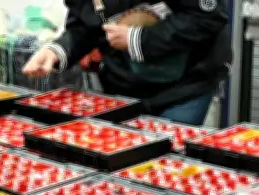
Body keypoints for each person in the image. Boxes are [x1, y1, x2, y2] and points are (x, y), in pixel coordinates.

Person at [23, 0, 232, 126]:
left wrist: (138, 39)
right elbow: (85, 26)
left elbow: (208, 17)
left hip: (185, 85)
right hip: (124, 85)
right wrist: (56, 50)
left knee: (166, 164)